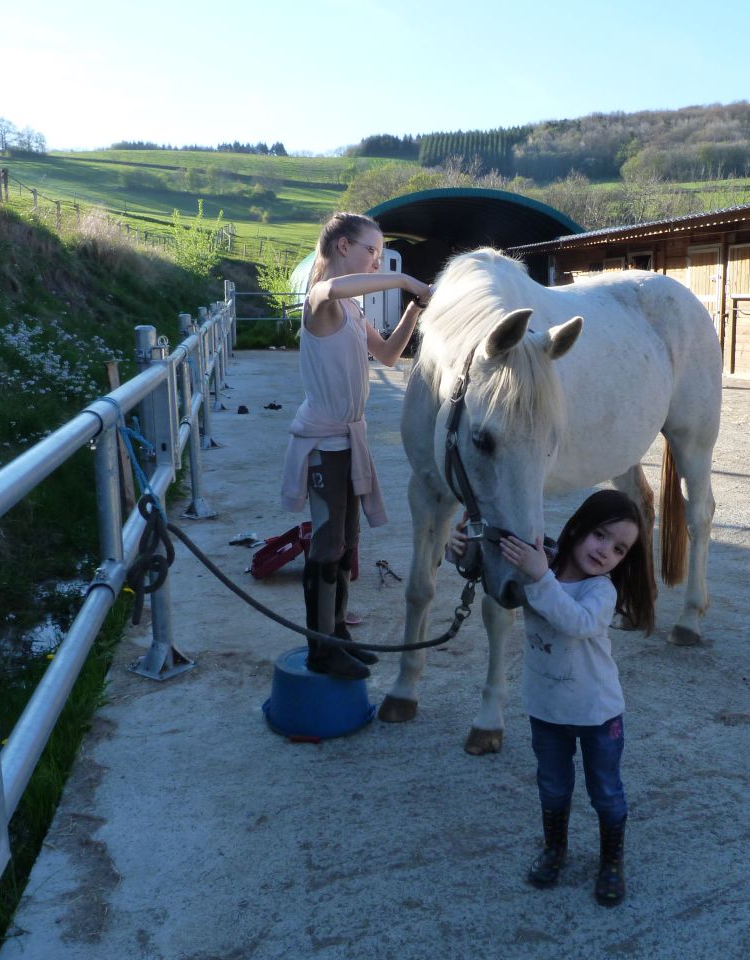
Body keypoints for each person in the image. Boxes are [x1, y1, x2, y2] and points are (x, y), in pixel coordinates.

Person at [448, 490, 655, 906]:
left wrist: (539, 575)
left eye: (618, 548)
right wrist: (461, 553)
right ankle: (555, 849)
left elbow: (575, 623)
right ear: (579, 526)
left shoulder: (601, 591)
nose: (605, 552)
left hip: (598, 713)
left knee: (606, 792)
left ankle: (611, 862)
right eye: (600, 535)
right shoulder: (540, 561)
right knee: (554, 786)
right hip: (546, 709)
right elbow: (494, 570)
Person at [280, 212, 432, 680]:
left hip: (349, 438)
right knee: (326, 544)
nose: (376, 260)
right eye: (371, 250)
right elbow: (330, 289)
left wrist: (413, 311)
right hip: (326, 441)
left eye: (381, 253)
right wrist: (405, 278)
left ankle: (338, 636)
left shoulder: (353, 310)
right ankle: (320, 650)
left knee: (347, 542)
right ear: (342, 246)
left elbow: (387, 355)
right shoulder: (321, 300)